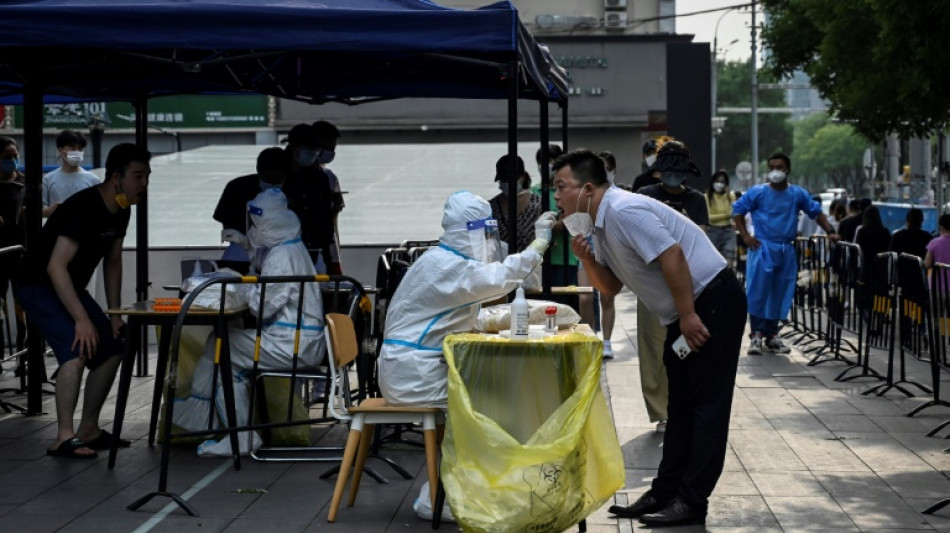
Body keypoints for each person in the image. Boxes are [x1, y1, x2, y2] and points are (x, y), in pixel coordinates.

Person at [551, 149, 745, 526]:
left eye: (561, 187)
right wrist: (587, 260)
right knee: (680, 406)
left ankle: (692, 501)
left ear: (587, 189)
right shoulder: (597, 223)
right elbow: (610, 287)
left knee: (707, 406)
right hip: (684, 309)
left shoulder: (624, 210)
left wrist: (688, 315)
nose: (556, 196)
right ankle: (666, 490)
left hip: (710, 300)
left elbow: (673, 256)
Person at [16, 143, 151, 459]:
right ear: (116, 177)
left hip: (69, 287)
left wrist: (114, 314)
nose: (144, 184)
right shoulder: (83, 207)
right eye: (138, 176)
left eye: (147, 176)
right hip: (37, 285)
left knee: (112, 349)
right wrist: (81, 319)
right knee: (76, 349)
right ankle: (63, 437)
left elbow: (113, 261)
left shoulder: (122, 208)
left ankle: (88, 428)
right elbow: (55, 267)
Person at [173, 188, 325, 456]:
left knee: (222, 348)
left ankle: (236, 434)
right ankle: (208, 419)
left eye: (256, 224)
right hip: (299, 341)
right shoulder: (291, 247)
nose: (254, 229)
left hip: (292, 345)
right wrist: (246, 245)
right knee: (221, 343)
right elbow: (267, 269)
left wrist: (241, 286)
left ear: (268, 224)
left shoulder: (281, 257)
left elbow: (262, 307)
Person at [378, 191, 556, 410]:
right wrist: (539, 244)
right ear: (470, 233)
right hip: (416, 378)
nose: (491, 244)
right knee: (501, 394)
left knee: (499, 387)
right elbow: (502, 277)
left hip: (412, 369)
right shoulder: (445, 266)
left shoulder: (442, 260)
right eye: (486, 234)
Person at [634, 141, 709, 431]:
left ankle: (684, 405)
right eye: (668, 170)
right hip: (651, 282)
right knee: (653, 348)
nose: (673, 176)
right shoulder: (645, 195)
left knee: (687, 346)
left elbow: (700, 240)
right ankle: (661, 411)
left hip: (687, 283)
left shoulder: (696, 200)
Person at [733, 153, 839, 356]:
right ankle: (756, 335)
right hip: (762, 248)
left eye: (780, 167)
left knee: (780, 292)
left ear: (788, 169)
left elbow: (816, 212)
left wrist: (830, 231)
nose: (776, 171)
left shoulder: (797, 194)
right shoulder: (758, 192)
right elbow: (738, 210)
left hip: (785, 249)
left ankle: (772, 335)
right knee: (758, 292)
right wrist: (745, 236)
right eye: (772, 167)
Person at [212, 147, 290, 273]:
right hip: (240, 255)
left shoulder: (292, 190)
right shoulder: (238, 187)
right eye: (268, 178)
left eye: (278, 180)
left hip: (280, 255)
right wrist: (244, 239)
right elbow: (223, 217)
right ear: (259, 171)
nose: (273, 183)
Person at [281, 123, 336, 273]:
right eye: (309, 150)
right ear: (294, 148)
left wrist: (328, 258)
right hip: (285, 251)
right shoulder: (279, 176)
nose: (312, 154)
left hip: (317, 252)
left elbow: (325, 219)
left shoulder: (319, 178)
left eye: (315, 151)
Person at [0, 137, 26, 366]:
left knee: (23, 307)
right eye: (6, 157)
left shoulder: (24, 183)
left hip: (21, 252)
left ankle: (24, 358)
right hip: (0, 253)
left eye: (15, 155)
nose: (12, 160)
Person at [489, 154, 542, 253]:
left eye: (511, 179)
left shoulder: (538, 205)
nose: (507, 183)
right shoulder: (491, 207)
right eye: (504, 180)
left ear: (522, 177)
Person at [42, 130, 101, 218]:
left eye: (80, 149)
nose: (77, 152)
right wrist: (52, 210)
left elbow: (100, 210)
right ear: (60, 150)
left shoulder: (93, 180)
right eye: (72, 148)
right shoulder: (48, 179)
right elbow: (40, 211)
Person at [313, 120, 345, 275]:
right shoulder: (326, 177)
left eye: (333, 149)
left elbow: (334, 216)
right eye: (328, 148)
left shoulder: (329, 176)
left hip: (327, 247)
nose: (331, 153)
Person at [853, 205, 891, 311]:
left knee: (866, 290)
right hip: (881, 267)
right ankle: (880, 311)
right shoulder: (885, 232)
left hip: (866, 265)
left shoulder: (862, 231)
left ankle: (865, 310)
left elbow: (858, 248)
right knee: (879, 292)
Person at [705, 169, 737, 267]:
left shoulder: (730, 195)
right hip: (713, 231)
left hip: (728, 230)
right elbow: (709, 218)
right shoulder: (707, 197)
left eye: (722, 182)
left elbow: (735, 212)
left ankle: (728, 276)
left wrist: (729, 196)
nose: (719, 184)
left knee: (729, 257)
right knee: (713, 259)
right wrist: (727, 215)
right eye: (717, 181)